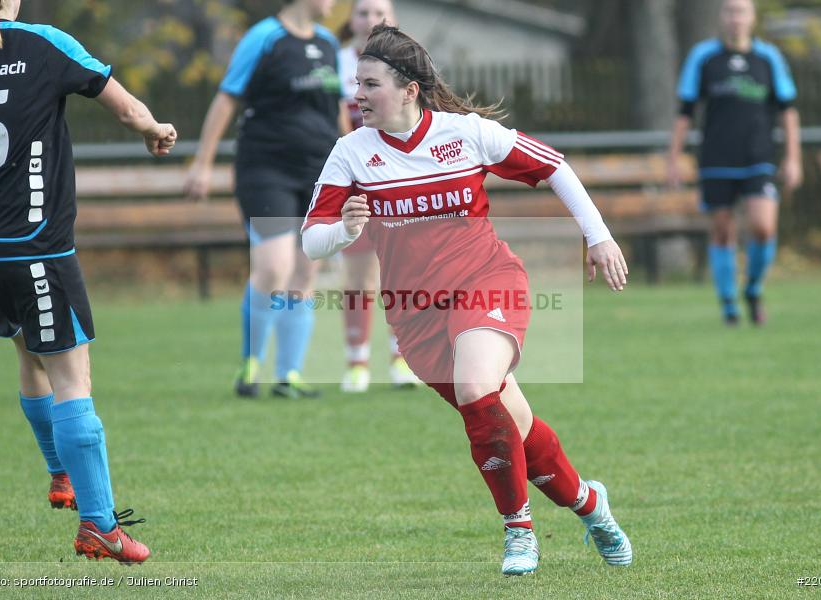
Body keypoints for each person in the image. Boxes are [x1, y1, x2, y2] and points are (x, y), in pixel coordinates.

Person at [302, 25, 633, 576]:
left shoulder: (466, 134)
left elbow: (554, 166)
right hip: (416, 314)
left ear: (408, 89)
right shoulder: (350, 153)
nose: (357, 94)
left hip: (487, 280)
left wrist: (597, 236)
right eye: (356, 83)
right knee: (515, 424)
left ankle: (518, 531)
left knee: (479, 386)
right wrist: (345, 230)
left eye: (370, 84)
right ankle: (591, 506)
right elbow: (312, 239)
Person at [0, 0, 176, 563]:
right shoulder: (42, 42)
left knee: (30, 353)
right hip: (36, 245)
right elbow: (127, 109)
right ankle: (100, 525)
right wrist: (155, 128)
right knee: (70, 371)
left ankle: (61, 475)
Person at [185, 0, 341, 399]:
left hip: (318, 175)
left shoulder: (328, 44)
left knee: (305, 273)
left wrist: (351, 162)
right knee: (274, 267)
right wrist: (202, 164)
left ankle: (289, 374)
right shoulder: (263, 37)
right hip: (266, 171)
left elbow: (337, 109)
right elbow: (226, 98)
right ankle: (251, 364)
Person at [668, 0, 801, 326]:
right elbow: (685, 112)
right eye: (729, 11)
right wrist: (674, 157)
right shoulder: (704, 57)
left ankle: (753, 288)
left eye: (741, 11)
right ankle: (729, 303)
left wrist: (794, 158)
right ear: (721, 17)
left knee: (763, 227)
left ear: (752, 17)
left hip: (758, 158)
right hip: (716, 158)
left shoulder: (768, 58)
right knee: (723, 231)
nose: (735, 17)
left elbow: (788, 110)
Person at [336, 0, 419, 392]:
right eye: (363, 12)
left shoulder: (409, 68)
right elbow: (340, 128)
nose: (370, 20)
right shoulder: (334, 62)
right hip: (354, 180)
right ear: (351, 19)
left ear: (394, 21)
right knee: (358, 275)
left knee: (401, 271)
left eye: (379, 13)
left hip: (398, 181)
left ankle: (402, 357)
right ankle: (357, 362)